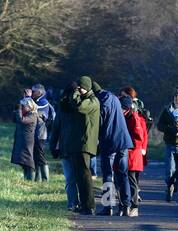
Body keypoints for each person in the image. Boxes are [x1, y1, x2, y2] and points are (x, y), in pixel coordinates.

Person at [59, 77, 101, 214]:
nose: (79, 90)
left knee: (85, 176)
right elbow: (67, 107)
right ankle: (84, 205)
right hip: (79, 144)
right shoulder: (86, 99)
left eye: (81, 87)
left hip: (85, 144)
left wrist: (75, 93)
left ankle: (89, 206)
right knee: (80, 177)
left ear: (87, 87)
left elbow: (79, 107)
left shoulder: (92, 101)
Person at [94, 82, 134, 217]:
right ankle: (126, 206)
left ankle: (108, 206)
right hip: (123, 140)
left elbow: (98, 124)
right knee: (123, 174)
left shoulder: (99, 103)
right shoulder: (115, 98)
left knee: (108, 174)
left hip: (109, 142)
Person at [121, 93, 148, 216]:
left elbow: (139, 137)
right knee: (127, 180)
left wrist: (127, 143)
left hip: (133, 154)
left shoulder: (135, 119)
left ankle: (134, 205)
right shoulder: (128, 117)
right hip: (129, 153)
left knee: (132, 181)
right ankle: (127, 205)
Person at [10, 96, 43, 180]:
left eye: (23, 106)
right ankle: (27, 179)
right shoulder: (27, 114)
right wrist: (17, 108)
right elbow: (14, 119)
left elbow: (21, 120)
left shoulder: (33, 115)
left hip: (27, 141)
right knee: (23, 162)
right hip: (22, 140)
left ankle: (30, 180)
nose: (22, 108)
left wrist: (19, 109)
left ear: (29, 106)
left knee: (28, 161)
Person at [30, 84, 55, 181]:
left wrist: (28, 101)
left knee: (41, 156)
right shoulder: (37, 101)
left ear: (39, 92)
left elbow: (35, 112)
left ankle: (45, 179)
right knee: (36, 156)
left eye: (33, 91)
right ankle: (38, 178)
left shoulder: (43, 102)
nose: (32, 93)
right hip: (36, 133)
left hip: (41, 134)